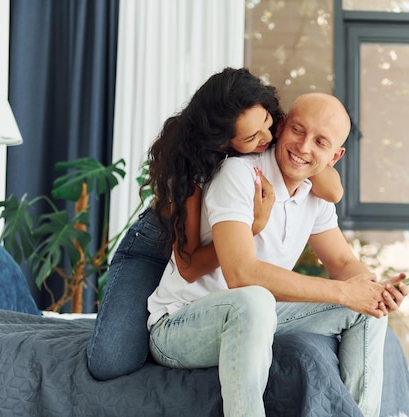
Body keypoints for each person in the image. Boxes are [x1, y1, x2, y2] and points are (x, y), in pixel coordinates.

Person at [146, 92, 409, 417]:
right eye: (298, 130)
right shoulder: (240, 175)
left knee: (367, 311)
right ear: (282, 126)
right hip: (181, 325)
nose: (303, 147)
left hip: (257, 318)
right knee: (255, 299)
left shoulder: (316, 195)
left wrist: (374, 290)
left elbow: (342, 262)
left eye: (320, 142)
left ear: (335, 156)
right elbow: (241, 273)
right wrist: (343, 291)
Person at [86, 68, 342, 381]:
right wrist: (254, 226)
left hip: (200, 259)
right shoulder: (190, 175)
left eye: (268, 123)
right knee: (111, 362)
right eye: (251, 138)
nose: (268, 138)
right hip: (156, 247)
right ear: (224, 142)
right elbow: (190, 267)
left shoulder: (277, 137)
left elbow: (333, 190)